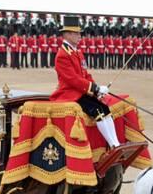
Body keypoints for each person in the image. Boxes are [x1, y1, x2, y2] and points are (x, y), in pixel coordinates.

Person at [51, 16, 120, 148]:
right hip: (70, 94)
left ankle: (116, 143)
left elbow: (85, 74)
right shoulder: (62, 54)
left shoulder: (77, 52)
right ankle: (113, 145)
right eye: (76, 33)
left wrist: (97, 90)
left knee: (105, 108)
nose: (79, 36)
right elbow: (73, 80)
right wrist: (94, 89)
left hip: (81, 91)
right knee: (97, 110)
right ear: (67, 35)